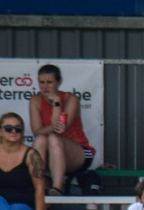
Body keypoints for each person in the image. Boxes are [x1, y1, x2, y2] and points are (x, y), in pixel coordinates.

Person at [27, 64, 94, 194]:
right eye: (41, 82)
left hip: (78, 153)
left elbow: (60, 128)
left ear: (59, 82)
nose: (45, 86)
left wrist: (57, 102)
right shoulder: (35, 100)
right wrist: (52, 128)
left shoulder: (71, 99)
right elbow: (37, 132)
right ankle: (37, 186)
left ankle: (57, 188)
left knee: (53, 137)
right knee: (41, 139)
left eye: (49, 82)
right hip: (51, 154)